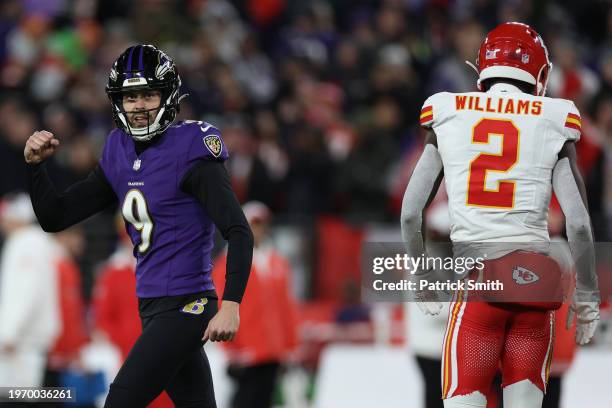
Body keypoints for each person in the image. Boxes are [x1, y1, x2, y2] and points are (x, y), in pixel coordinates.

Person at [24, 44, 254, 407]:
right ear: (119, 102)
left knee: (120, 401)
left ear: (169, 96)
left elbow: (239, 231)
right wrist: (36, 168)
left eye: (149, 94)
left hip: (187, 303)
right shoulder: (118, 149)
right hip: (150, 305)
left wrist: (231, 304)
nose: (140, 105)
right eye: (131, 97)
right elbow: (56, 217)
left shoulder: (192, 147)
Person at [400, 22, 600, 408]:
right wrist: (589, 295)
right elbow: (577, 222)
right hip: (535, 291)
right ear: (540, 72)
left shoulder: (448, 109)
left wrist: (423, 275)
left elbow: (411, 213)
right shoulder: (554, 116)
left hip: (478, 286)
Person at [212, 201, 298, 408]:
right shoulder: (225, 264)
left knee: (265, 399)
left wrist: (290, 346)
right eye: (253, 224)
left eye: (261, 224)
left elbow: (286, 306)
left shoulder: (277, 262)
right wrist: (229, 349)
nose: (257, 230)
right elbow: (218, 307)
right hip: (246, 351)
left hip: (272, 350)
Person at [0, 193, 61, 390]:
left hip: (23, 342)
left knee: (16, 398)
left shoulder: (26, 243)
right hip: (27, 340)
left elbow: (26, 293)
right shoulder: (36, 242)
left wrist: (9, 333)